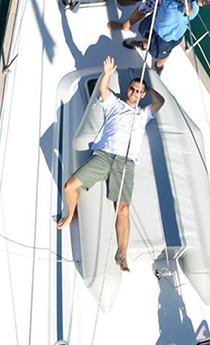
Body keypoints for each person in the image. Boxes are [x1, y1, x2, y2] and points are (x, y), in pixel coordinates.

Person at [57, 56, 165, 271]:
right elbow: (103, 89)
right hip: (104, 156)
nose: (134, 93)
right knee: (69, 186)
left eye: (138, 91)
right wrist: (106, 73)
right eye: (132, 89)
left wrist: (149, 88)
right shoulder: (114, 103)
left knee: (123, 209)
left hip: (125, 163)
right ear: (128, 90)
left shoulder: (144, 114)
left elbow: (160, 103)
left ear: (143, 94)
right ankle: (70, 214)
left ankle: (122, 254)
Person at [110, 0, 210, 74]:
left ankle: (158, 65)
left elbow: (189, 11)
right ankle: (143, 45)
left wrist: (187, 0)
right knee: (143, 30)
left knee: (161, 54)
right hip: (155, 21)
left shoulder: (193, 7)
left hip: (166, 38)